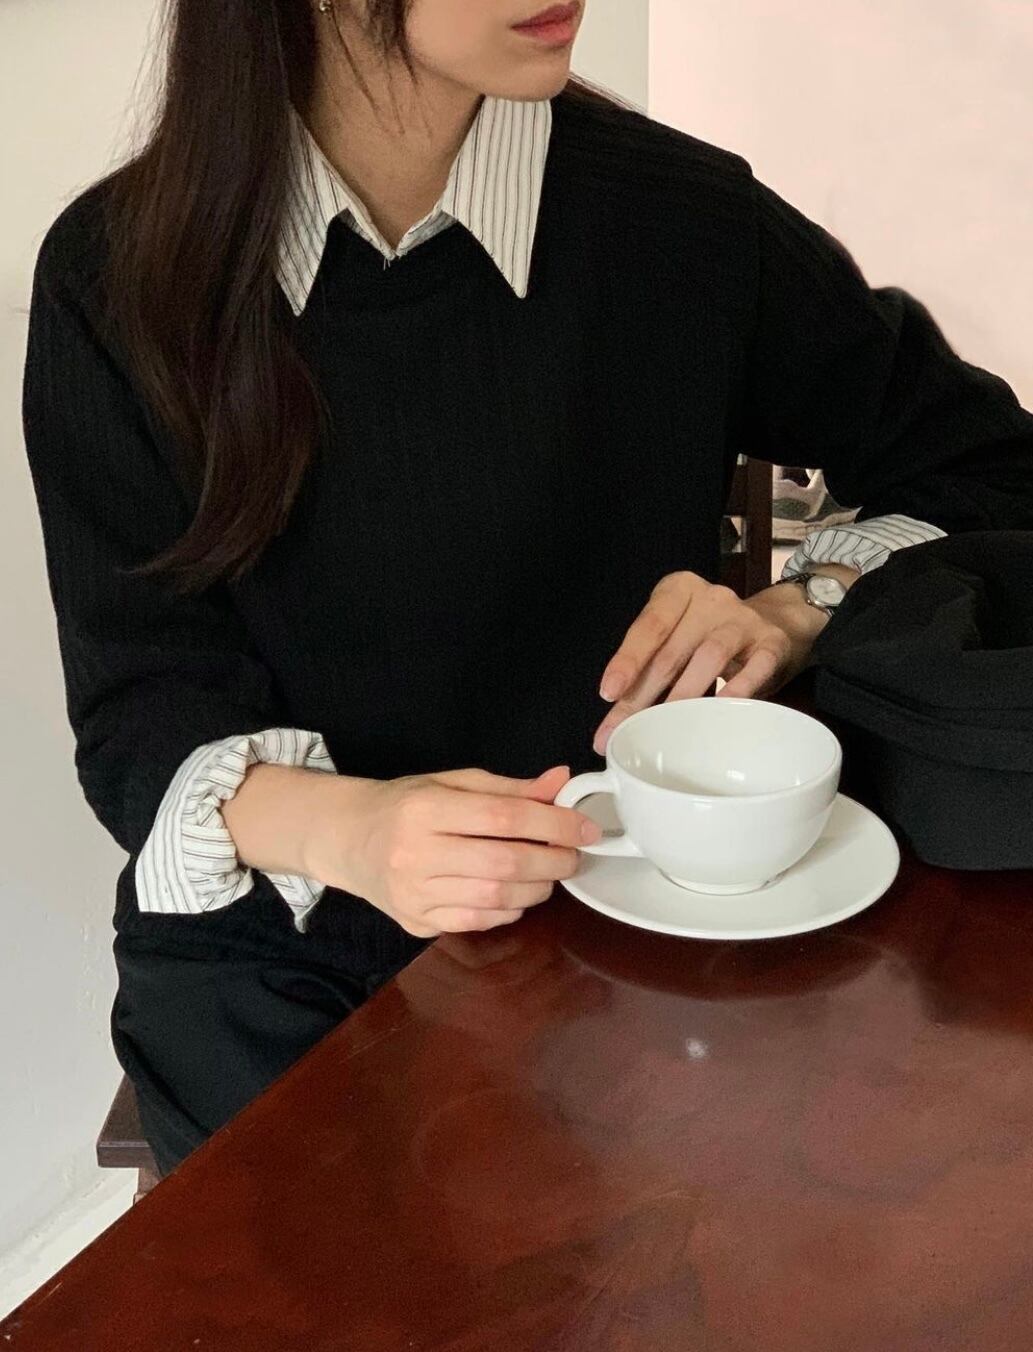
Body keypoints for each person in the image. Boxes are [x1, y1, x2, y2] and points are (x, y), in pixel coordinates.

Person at [23, 0, 1033, 1176]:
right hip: (280, 948)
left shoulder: (682, 220)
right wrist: (356, 829)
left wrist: (797, 602)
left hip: (638, 907)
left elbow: (990, 470)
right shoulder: (119, 272)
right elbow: (138, 706)